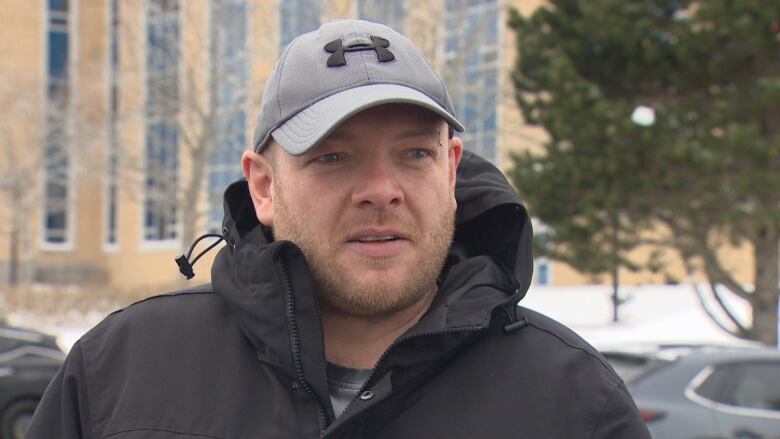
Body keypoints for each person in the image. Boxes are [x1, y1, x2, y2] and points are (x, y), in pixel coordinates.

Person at [26, 19, 650, 438]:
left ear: (451, 172)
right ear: (264, 186)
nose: (381, 190)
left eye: (414, 154)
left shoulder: (574, 404)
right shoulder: (122, 371)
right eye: (332, 157)